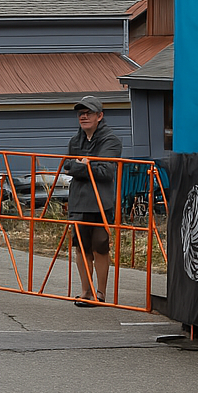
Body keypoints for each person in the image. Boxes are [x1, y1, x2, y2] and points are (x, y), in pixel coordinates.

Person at [62, 96, 123, 307]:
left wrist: (81, 166)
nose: (84, 116)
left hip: (100, 203)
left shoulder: (111, 140)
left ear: (100, 116)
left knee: (100, 247)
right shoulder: (75, 141)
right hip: (78, 201)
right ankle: (85, 291)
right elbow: (67, 166)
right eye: (81, 113)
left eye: (88, 112)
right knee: (81, 247)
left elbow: (106, 171)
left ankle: (100, 293)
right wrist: (84, 165)